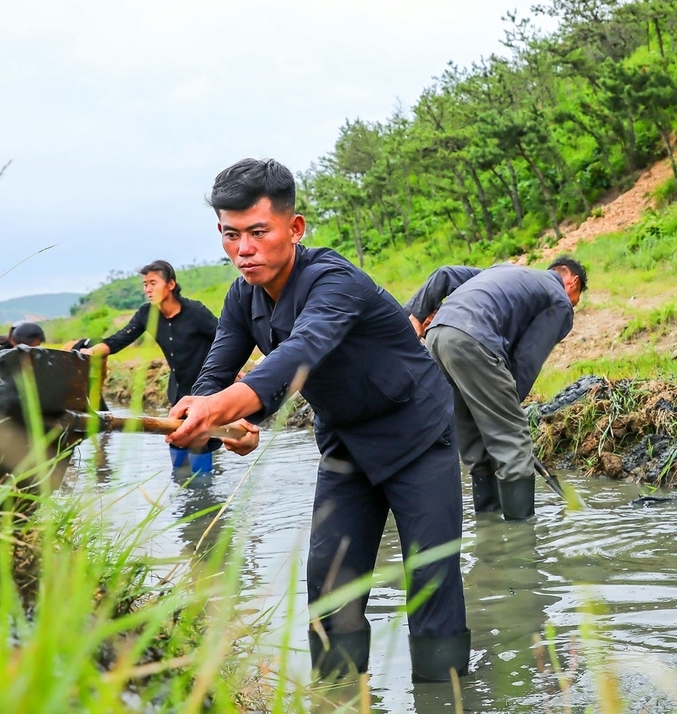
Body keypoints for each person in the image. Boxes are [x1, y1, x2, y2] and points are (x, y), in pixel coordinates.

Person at [165, 159, 470, 683]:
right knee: (330, 587)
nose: (244, 249)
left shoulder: (334, 282)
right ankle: (336, 693)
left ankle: (444, 695)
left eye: (258, 232)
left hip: (415, 433)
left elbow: (299, 354)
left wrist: (227, 404)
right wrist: (214, 417)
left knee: (429, 582)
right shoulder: (243, 295)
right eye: (231, 235)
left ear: (295, 227)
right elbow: (215, 371)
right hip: (345, 442)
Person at [404, 258, 586, 520]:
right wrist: (508, 407)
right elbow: (527, 358)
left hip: (438, 337)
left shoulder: (503, 271)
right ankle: (519, 541)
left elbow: (445, 273)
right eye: (576, 300)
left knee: (477, 447)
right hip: (473, 340)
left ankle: (488, 529)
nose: (572, 307)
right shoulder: (559, 299)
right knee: (513, 443)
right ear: (572, 282)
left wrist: (412, 316)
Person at [80, 260, 220, 473]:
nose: (148, 289)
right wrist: (90, 352)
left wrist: (231, 369)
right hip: (178, 389)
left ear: (171, 284)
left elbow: (224, 339)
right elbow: (120, 339)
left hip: (205, 389)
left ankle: (204, 494)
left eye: (153, 283)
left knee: (200, 442)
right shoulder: (147, 314)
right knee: (177, 439)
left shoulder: (195, 312)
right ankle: (182, 489)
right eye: (145, 284)